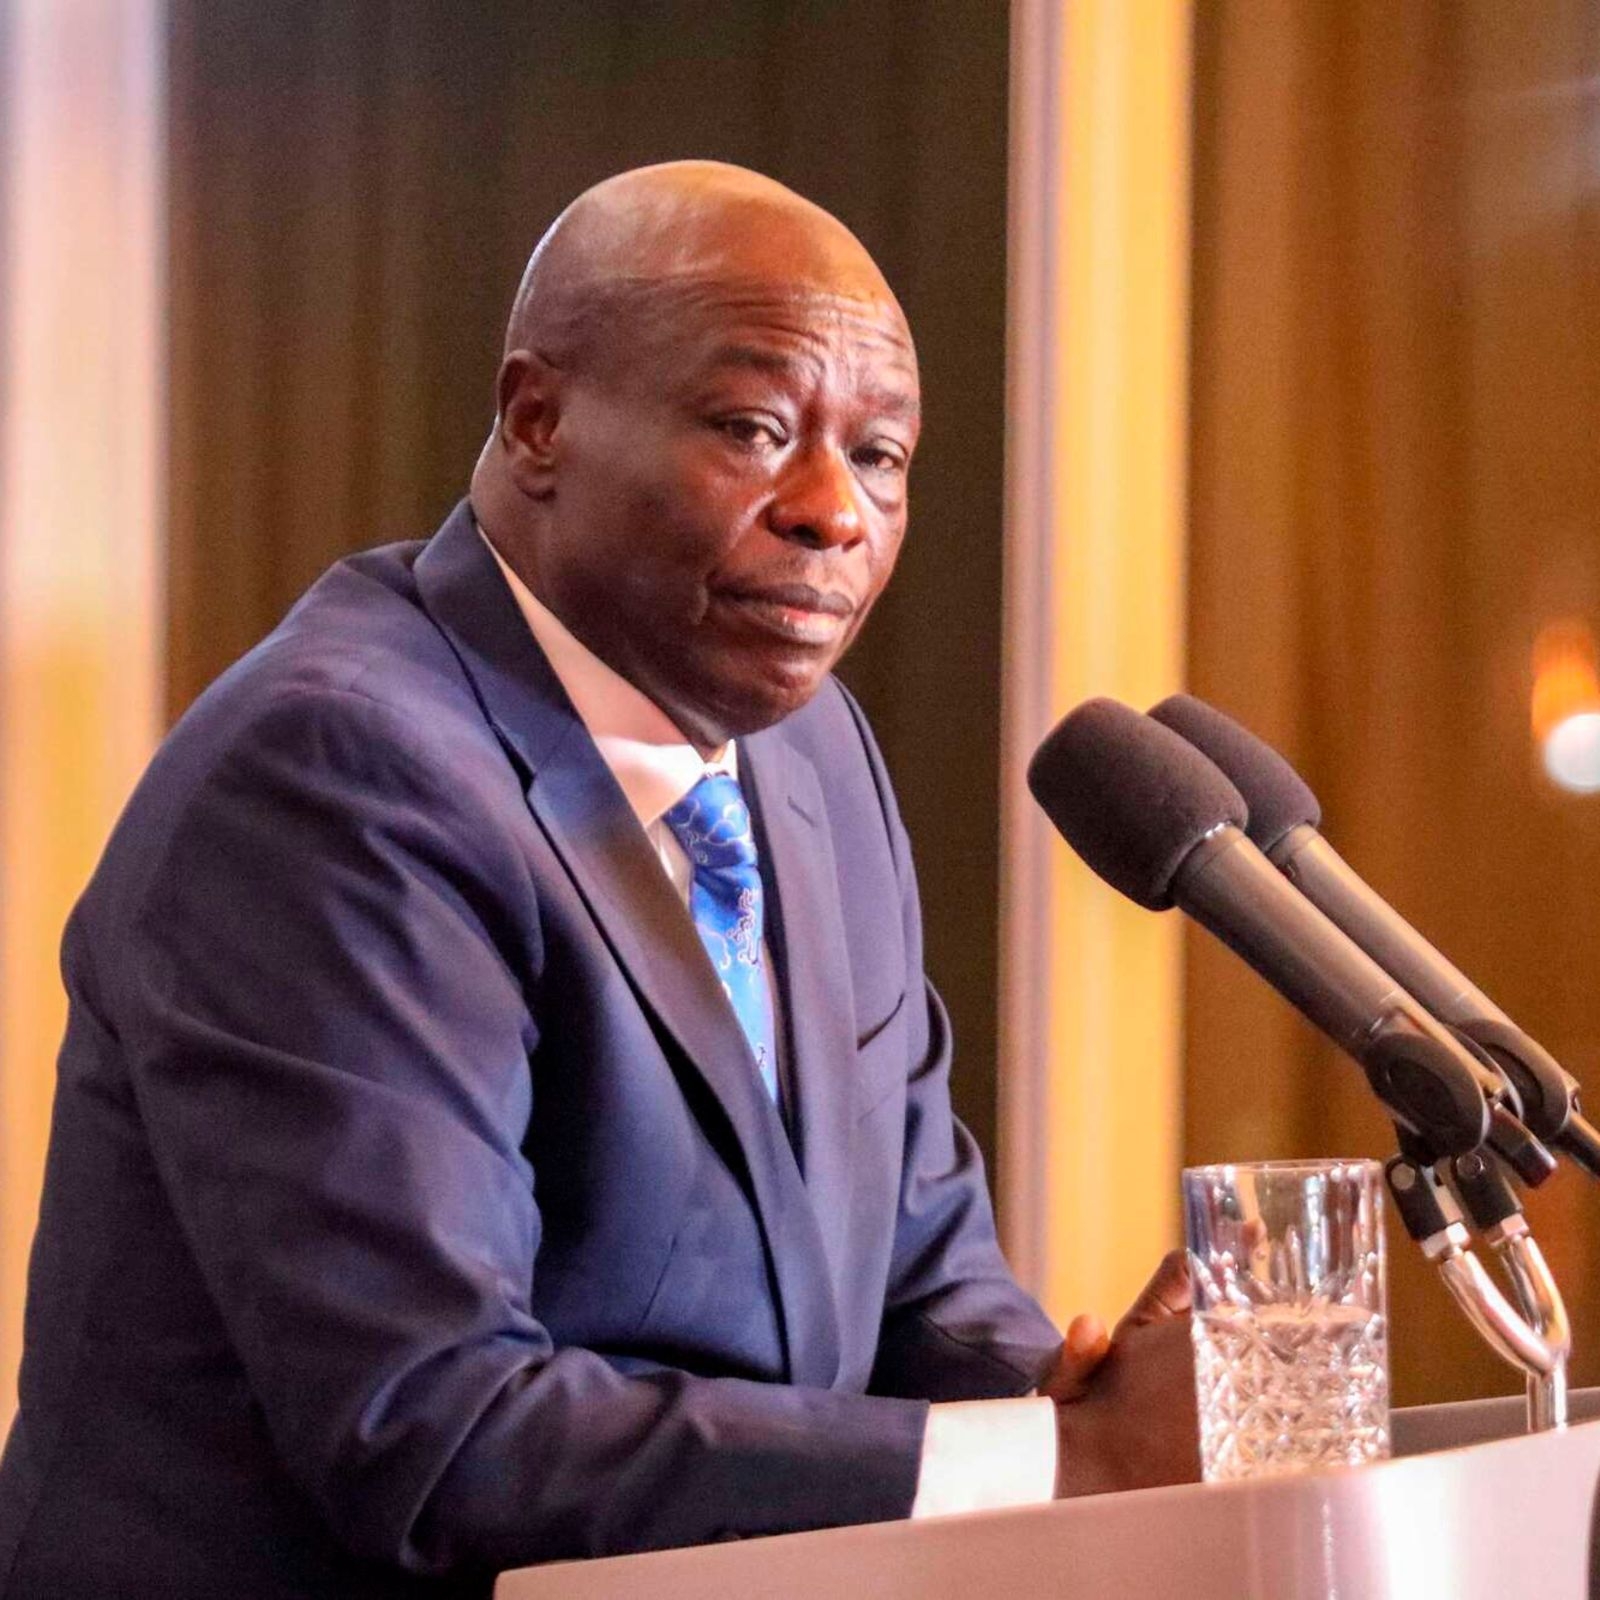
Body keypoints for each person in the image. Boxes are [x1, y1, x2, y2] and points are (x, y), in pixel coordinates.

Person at [0, 162, 1196, 1600]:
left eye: (880, 455)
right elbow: (435, 1430)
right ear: (538, 421)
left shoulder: (812, 759)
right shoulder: (340, 772)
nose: (835, 510)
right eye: (756, 430)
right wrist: (1064, 1461)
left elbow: (920, 1284)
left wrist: (1088, 1407)